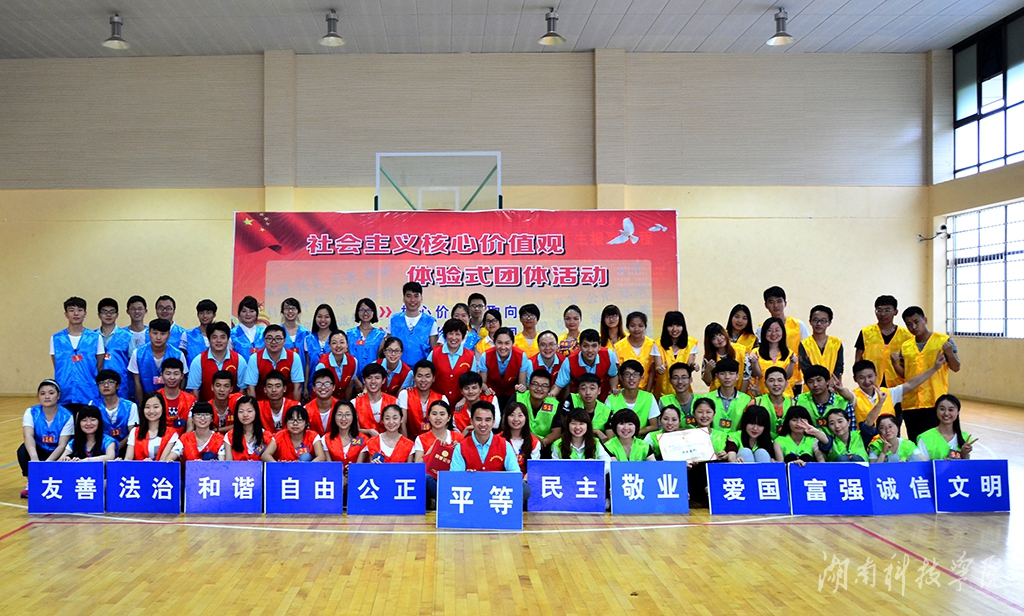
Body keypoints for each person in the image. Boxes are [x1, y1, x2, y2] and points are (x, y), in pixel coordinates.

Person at [894, 306, 961, 443]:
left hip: (935, 401)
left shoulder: (944, 341)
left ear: (925, 320)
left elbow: (956, 367)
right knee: (916, 442)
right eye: (908, 324)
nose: (913, 327)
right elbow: (905, 375)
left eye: (916, 322)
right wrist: (895, 364)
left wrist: (949, 353)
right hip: (911, 403)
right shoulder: (905, 346)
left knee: (936, 442)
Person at [855, 295, 914, 429]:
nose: (883, 314)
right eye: (879, 310)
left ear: (895, 312)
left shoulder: (906, 335)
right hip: (871, 382)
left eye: (887, 310)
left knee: (894, 420)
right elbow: (858, 356)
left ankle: (893, 440)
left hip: (896, 383)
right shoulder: (866, 332)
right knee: (869, 417)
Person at [850, 355, 946, 426]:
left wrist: (935, 368)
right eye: (861, 378)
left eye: (870, 376)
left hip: (889, 440)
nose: (867, 381)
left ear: (876, 375)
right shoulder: (853, 396)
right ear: (855, 379)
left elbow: (911, 384)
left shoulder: (888, 393)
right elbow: (844, 392)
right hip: (864, 443)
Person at [18, 380, 74, 497]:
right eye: (42, 393)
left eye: (51, 393)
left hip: (57, 451)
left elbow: (62, 444)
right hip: (39, 449)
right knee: (22, 450)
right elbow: (28, 436)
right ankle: (32, 481)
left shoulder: (67, 416)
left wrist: (47, 465)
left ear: (58, 395)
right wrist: (34, 459)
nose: (47, 397)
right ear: (38, 396)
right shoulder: (31, 412)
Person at [51, 296, 104, 406]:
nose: (76, 314)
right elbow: (56, 365)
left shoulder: (95, 338)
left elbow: (99, 365)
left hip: (89, 392)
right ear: (66, 314)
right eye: (71, 310)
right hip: (64, 392)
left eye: (80, 310)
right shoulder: (56, 338)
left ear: (85, 313)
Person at [758, 286, 811, 394]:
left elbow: (808, 350)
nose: (775, 305)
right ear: (766, 305)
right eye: (771, 302)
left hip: (795, 379)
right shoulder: (762, 328)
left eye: (779, 301)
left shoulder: (798, 325)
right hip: (769, 381)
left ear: (785, 303)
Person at [449, 402, 525, 475]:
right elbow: (454, 477)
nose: (483, 424)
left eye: (487, 420)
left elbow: (515, 474)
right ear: (471, 421)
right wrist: (465, 475)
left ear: (493, 422)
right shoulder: (461, 447)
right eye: (478, 419)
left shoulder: (505, 445)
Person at [417, 400, 463, 507]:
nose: (438, 418)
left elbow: (467, 465)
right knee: (425, 478)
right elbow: (418, 466)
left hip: (453, 482)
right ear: (428, 417)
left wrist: (458, 451)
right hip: (432, 482)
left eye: (442, 414)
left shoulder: (458, 437)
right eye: (434, 414)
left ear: (449, 417)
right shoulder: (421, 439)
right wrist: (432, 449)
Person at [187, 321, 248, 402]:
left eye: (223, 337)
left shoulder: (239, 360)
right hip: (206, 407)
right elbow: (194, 390)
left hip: (232, 407)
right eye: (214, 337)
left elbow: (242, 389)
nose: (219, 341)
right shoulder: (198, 360)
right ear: (209, 339)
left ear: (228, 339)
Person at [128, 318, 187, 402]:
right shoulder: (137, 354)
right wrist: (142, 405)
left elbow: (182, 379)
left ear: (169, 334)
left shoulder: (178, 355)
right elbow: (137, 382)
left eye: (163, 334)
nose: (158, 337)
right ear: (149, 333)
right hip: (146, 403)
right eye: (155, 333)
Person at [553, 329, 619, 401]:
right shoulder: (569, 361)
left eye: (594, 346)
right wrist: (551, 395)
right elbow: (558, 386)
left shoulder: (608, 354)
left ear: (599, 346)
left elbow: (613, 375)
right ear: (579, 346)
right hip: (579, 400)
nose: (590, 350)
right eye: (586, 346)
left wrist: (613, 388)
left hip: (603, 398)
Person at [247, 324, 304, 401]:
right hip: (262, 401)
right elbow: (250, 387)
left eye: (278, 338)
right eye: (269, 338)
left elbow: (297, 386)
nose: (273, 342)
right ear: (264, 340)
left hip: (287, 401)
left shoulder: (294, 357)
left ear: (284, 341)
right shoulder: (254, 358)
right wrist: (254, 407)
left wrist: (295, 406)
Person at [794, 365, 855, 435]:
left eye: (819, 380)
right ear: (806, 384)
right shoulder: (798, 400)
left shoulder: (844, 403)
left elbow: (852, 434)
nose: (815, 384)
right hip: (808, 441)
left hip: (837, 441)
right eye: (810, 381)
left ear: (827, 381)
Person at [428, 318, 476, 407]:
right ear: (445, 335)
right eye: (450, 333)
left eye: (457, 334)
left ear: (463, 337)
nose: (454, 338)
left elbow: (473, 382)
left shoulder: (470, 356)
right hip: (436, 404)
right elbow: (427, 376)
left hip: (461, 405)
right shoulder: (434, 353)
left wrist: (463, 400)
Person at [388, 281, 437, 366]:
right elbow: (388, 346)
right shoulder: (394, 320)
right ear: (403, 298)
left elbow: (435, 351)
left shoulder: (430, 321)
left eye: (416, 296)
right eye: (408, 296)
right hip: (397, 369)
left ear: (421, 298)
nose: (412, 300)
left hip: (422, 370)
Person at [90, 369, 138, 455]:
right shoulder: (93, 404)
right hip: (100, 448)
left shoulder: (130, 406)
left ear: (117, 386)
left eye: (110, 382)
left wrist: (116, 448)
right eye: (102, 383)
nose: (106, 385)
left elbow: (132, 433)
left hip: (125, 448)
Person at [607, 360, 660, 437]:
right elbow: (608, 428)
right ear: (621, 377)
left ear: (641, 377)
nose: (631, 378)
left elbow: (654, 426)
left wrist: (633, 434)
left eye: (635, 374)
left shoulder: (649, 397)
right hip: (617, 441)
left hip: (641, 441)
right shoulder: (611, 399)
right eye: (627, 374)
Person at [479, 326, 527, 410]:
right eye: (499, 343)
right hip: (492, 394)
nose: (503, 347)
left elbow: (522, 383)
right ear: (494, 342)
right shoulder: (485, 356)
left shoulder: (521, 356)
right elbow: (482, 382)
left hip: (512, 394)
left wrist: (521, 387)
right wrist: (486, 389)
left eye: (507, 343)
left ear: (513, 343)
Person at [915, 394, 975, 461]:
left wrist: (964, 454)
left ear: (958, 412)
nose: (946, 413)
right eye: (942, 409)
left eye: (951, 410)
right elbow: (922, 465)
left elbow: (967, 465)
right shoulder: (925, 438)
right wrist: (941, 464)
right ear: (936, 410)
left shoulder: (965, 438)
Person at [95, 297, 133, 402]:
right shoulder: (91, 337)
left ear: (117, 315)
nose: (108, 315)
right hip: (97, 385)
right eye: (104, 312)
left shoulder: (127, 336)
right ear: (99, 315)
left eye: (112, 312)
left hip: (121, 385)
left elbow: (133, 363)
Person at [748, 317, 797, 398]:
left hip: (784, 396)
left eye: (777, 330)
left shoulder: (790, 353)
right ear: (764, 332)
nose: (773, 334)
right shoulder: (756, 352)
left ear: (783, 332)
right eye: (769, 330)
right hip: (762, 395)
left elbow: (787, 377)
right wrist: (754, 363)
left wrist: (792, 363)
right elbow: (758, 376)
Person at [614, 312, 663, 392]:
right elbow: (618, 372)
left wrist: (647, 393)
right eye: (632, 326)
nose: (636, 329)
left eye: (640, 326)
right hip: (625, 391)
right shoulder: (619, 347)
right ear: (627, 327)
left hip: (648, 391)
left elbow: (652, 372)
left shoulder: (652, 345)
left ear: (645, 327)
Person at [653, 311, 698, 398]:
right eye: (670, 326)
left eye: (678, 325)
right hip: (663, 392)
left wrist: (693, 367)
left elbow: (689, 368)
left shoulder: (691, 343)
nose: (674, 329)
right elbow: (657, 367)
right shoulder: (658, 344)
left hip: (684, 392)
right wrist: (660, 369)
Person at [398, 360, 447, 441]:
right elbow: (402, 422)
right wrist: (407, 444)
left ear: (433, 378)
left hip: (434, 442)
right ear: (414, 378)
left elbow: (445, 425)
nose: (423, 380)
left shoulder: (442, 398)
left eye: (427, 376)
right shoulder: (404, 394)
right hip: (410, 441)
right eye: (419, 376)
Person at [514, 369, 561, 452]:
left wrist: (541, 443)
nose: (539, 389)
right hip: (518, 440)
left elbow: (556, 432)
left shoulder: (554, 404)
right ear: (529, 385)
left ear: (549, 389)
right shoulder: (518, 397)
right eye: (535, 384)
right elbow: (504, 423)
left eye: (544, 386)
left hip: (543, 445)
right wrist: (532, 438)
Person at [125, 391, 180, 461]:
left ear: (163, 408)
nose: (151, 411)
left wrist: (150, 465)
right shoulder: (134, 432)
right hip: (139, 468)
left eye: (156, 407)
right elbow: (128, 458)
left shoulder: (171, 434)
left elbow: (163, 461)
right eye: (147, 407)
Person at [704, 358, 752, 435]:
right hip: (713, 439)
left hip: (737, 440)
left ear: (737, 376)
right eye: (722, 373)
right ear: (716, 376)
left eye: (731, 373)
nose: (727, 377)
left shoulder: (746, 400)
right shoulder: (707, 398)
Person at [347, 298, 387, 388]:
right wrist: (356, 380)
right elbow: (348, 359)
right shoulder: (349, 334)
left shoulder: (380, 335)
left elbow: (380, 360)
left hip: (373, 382)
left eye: (369, 310)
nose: (365, 313)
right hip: (352, 380)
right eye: (362, 310)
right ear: (357, 312)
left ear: (374, 312)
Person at [219, 396, 273, 461]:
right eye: (241, 411)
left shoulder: (267, 436)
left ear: (256, 412)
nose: (245, 415)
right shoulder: (230, 435)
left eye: (249, 411)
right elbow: (229, 462)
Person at [701, 322, 749, 394]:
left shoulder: (742, 351)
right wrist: (708, 370)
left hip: (739, 394)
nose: (719, 339)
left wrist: (741, 397)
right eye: (714, 338)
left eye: (720, 334)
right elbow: (708, 382)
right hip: (716, 396)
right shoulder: (708, 357)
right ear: (710, 342)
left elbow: (746, 377)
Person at [799, 305, 844, 379]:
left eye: (823, 321)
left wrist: (832, 381)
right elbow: (805, 368)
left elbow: (839, 366)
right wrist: (819, 382)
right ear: (810, 321)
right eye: (815, 320)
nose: (819, 324)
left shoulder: (836, 343)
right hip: (812, 384)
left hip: (833, 384)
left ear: (829, 323)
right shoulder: (804, 344)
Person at [353, 363, 398, 437]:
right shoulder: (354, 403)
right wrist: (368, 431)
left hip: (389, 442)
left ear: (383, 380)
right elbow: (352, 431)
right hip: (364, 443)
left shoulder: (394, 402)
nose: (373, 381)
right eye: (369, 378)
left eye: (377, 378)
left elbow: (400, 429)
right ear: (363, 380)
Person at [565, 373, 613, 440]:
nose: (588, 392)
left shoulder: (606, 411)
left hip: (594, 443)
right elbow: (566, 425)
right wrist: (595, 431)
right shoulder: (572, 399)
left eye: (592, 388)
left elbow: (609, 440)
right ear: (578, 391)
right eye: (583, 388)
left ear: (599, 391)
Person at [322, 400, 366, 470]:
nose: (343, 419)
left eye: (348, 415)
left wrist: (351, 471)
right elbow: (329, 466)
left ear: (354, 416)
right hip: (335, 475)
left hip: (355, 475)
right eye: (339, 415)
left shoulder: (363, 439)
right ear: (334, 416)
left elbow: (358, 467)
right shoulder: (325, 439)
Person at [156, 358, 195, 436]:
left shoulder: (191, 400)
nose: (172, 377)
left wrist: (180, 442)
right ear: (162, 375)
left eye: (176, 374)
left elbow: (190, 427)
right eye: (168, 374)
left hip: (182, 440)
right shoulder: (154, 398)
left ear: (182, 376)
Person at [314, 330, 357, 400]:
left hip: (342, 400)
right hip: (324, 400)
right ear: (329, 346)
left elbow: (349, 386)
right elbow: (321, 389)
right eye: (334, 343)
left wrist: (346, 404)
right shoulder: (322, 365)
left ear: (347, 344)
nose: (338, 346)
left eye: (342, 342)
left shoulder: (353, 361)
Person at [499, 401, 541, 473]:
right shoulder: (497, 439)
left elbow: (534, 469)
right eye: (512, 415)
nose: (516, 419)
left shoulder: (534, 442)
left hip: (525, 479)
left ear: (526, 418)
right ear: (506, 418)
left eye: (520, 415)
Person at [305, 304, 338, 391]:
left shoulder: (337, 337)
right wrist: (305, 387)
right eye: (319, 316)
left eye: (326, 317)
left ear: (331, 318)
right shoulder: (308, 339)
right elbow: (308, 364)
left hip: (333, 384)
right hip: (313, 385)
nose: (323, 320)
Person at [753, 366, 793, 437]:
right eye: (771, 380)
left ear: (786, 384)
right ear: (765, 384)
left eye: (780, 380)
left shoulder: (793, 404)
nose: (776, 384)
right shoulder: (756, 402)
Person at [658, 363, 697, 429]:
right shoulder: (664, 401)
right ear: (670, 381)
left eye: (684, 377)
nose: (680, 382)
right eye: (675, 378)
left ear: (690, 380)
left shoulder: (700, 401)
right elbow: (661, 428)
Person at [305, 369, 338, 436]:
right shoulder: (306, 410)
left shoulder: (342, 407)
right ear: (313, 388)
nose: (323, 387)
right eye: (319, 384)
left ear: (334, 387)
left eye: (327, 384)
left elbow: (351, 432)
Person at [184, 299, 218, 366]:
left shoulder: (220, 336)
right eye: (201, 313)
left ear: (214, 315)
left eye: (208, 313)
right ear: (197, 314)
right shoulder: (187, 335)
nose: (205, 316)